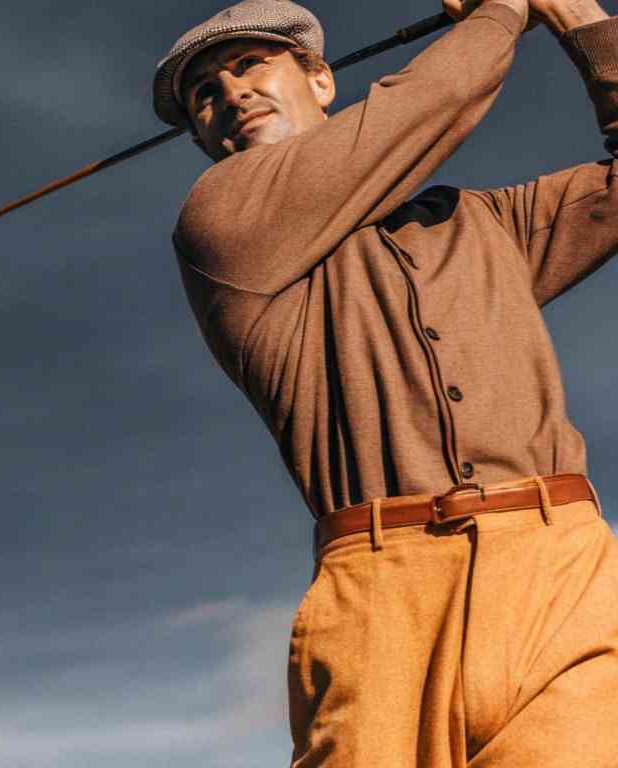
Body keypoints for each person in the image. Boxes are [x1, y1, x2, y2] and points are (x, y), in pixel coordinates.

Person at [154, 0, 618, 764]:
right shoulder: (221, 224)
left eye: (249, 66)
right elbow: (425, 107)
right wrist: (503, 10)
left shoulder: (485, 223)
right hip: (381, 594)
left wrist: (580, 17)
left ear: (323, 81)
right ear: (202, 133)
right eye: (204, 92)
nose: (229, 93)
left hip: (559, 568)